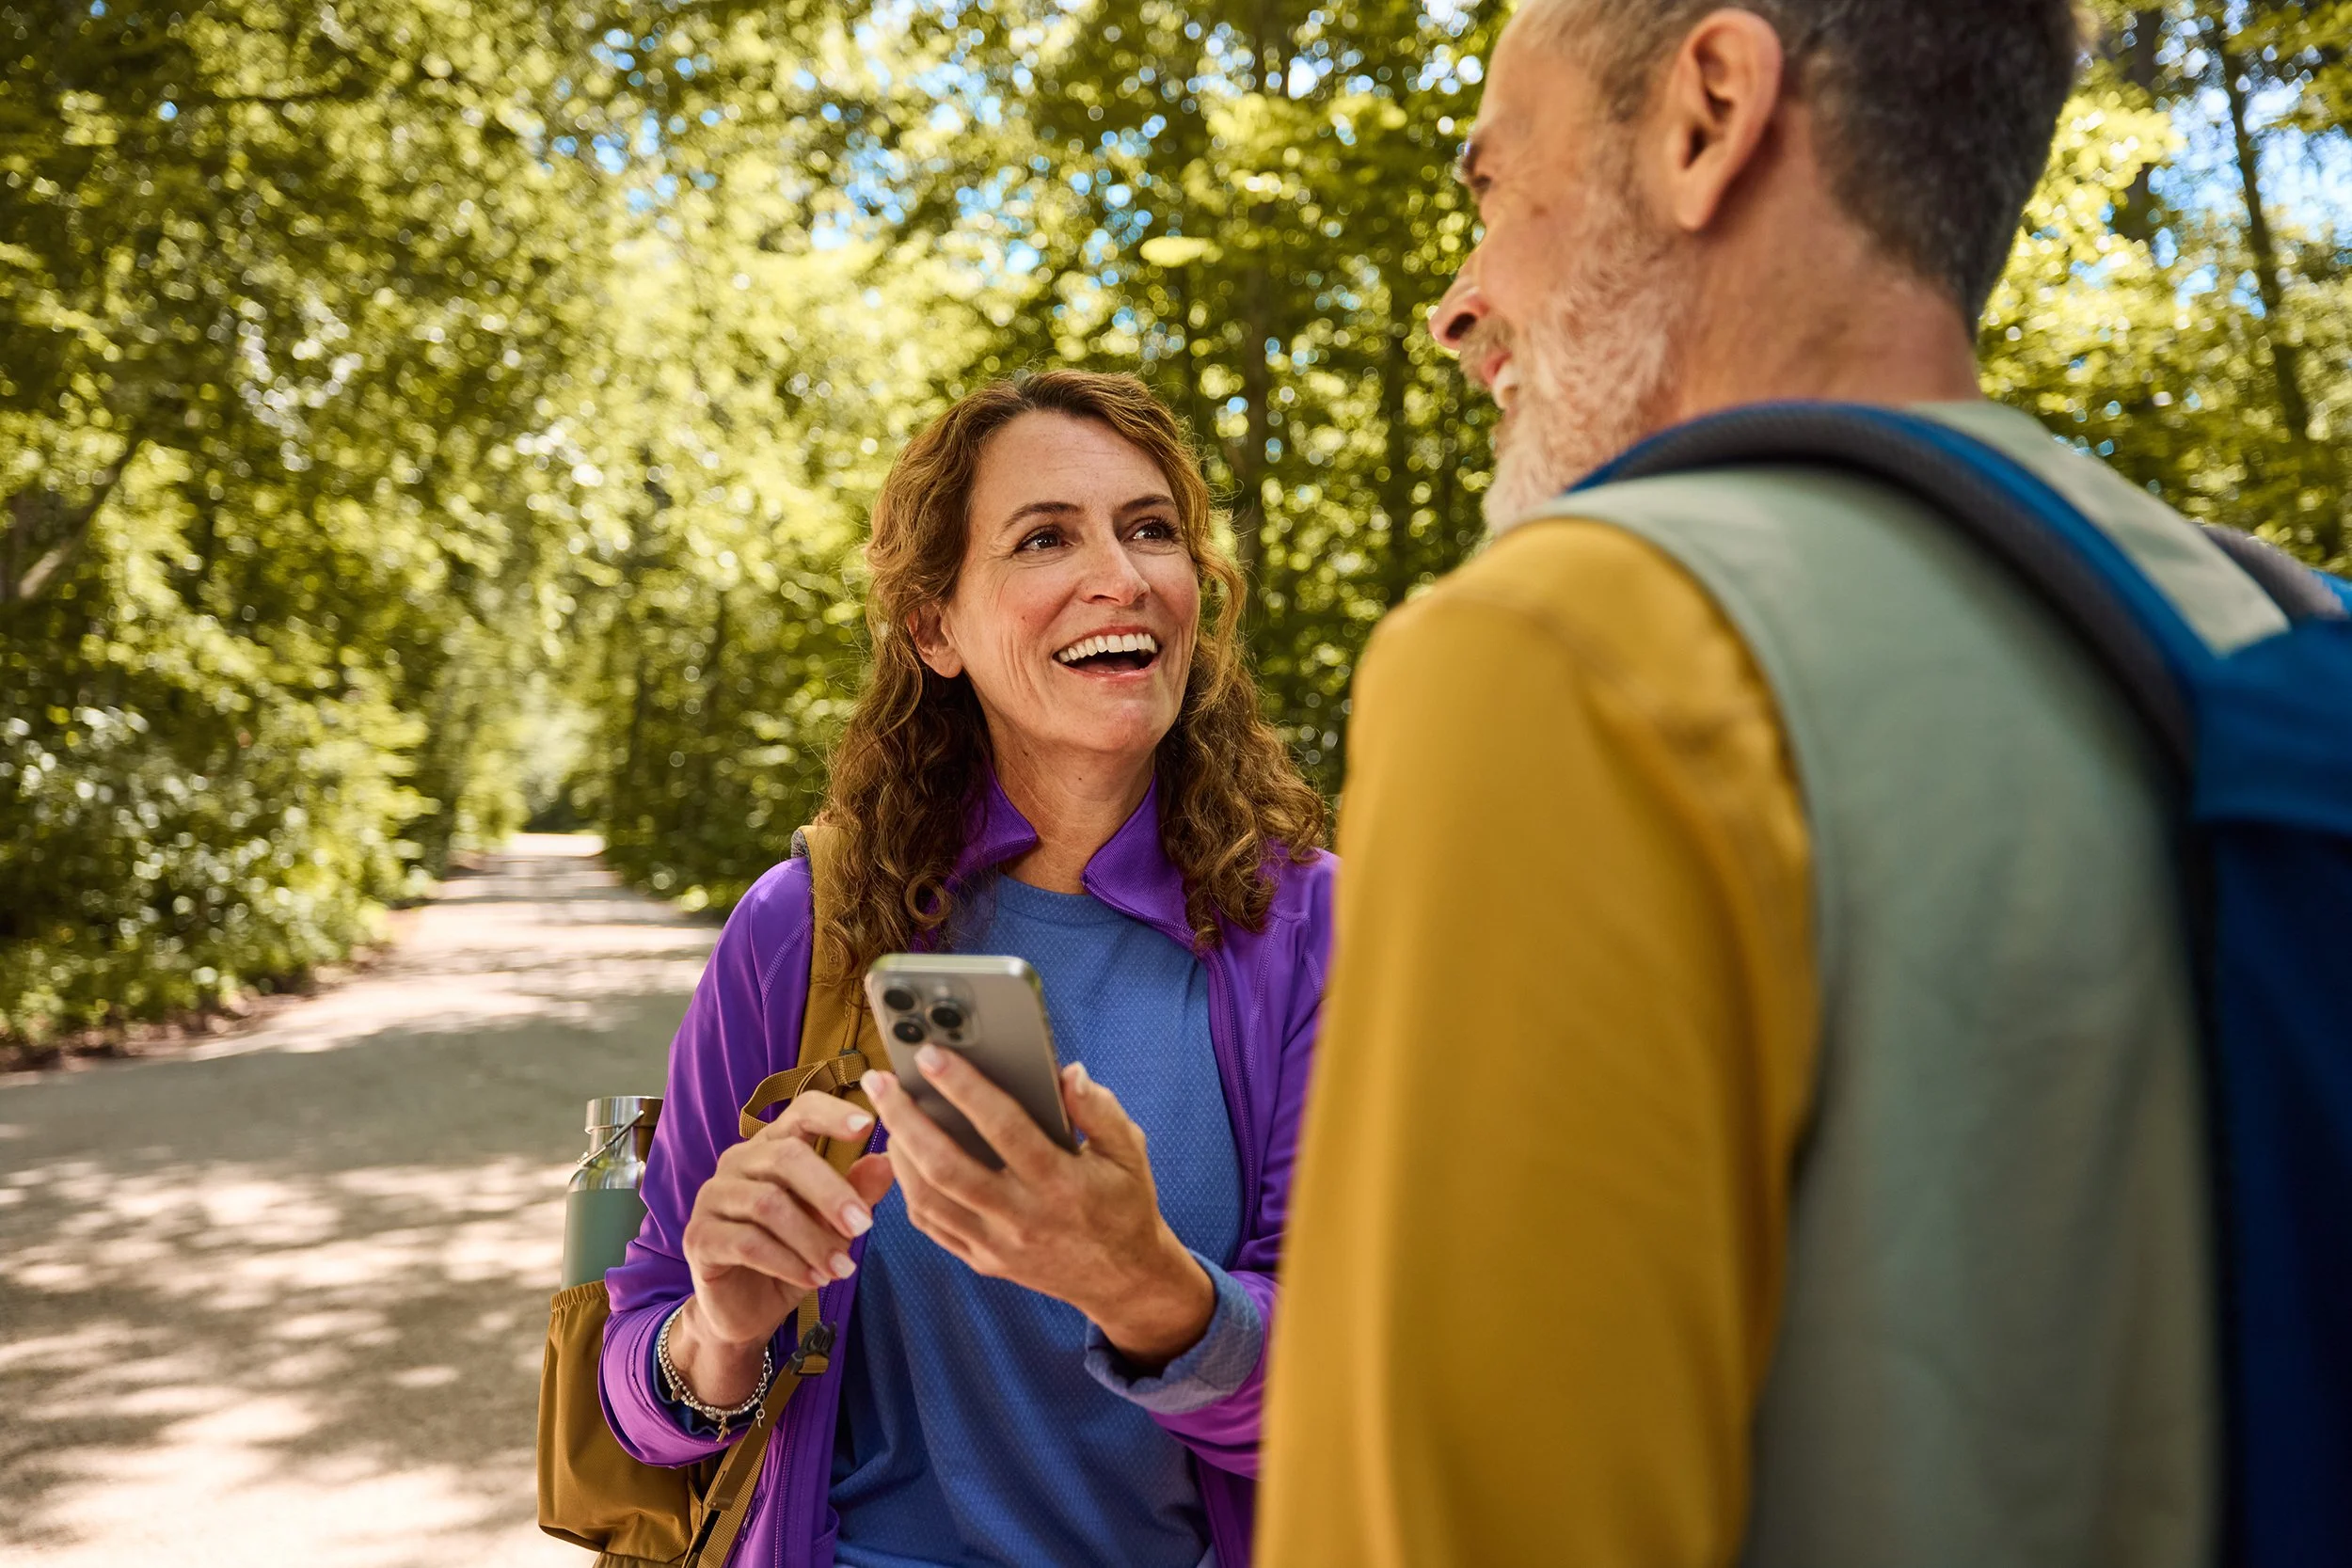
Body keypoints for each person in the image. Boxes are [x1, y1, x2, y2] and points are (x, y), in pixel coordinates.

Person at [1260, 4, 2281, 1565]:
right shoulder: (2268, 618)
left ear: (1707, 115)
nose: (1459, 312)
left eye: (1491, 187)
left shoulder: (1570, 655)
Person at [601, 371, 1333, 1568]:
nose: (1124, 575)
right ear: (935, 628)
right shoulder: (804, 926)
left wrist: (1152, 1290)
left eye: (1152, 529)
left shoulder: (1306, 927)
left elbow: (1367, 1386)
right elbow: (631, 1386)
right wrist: (715, 1333)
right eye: (1046, 536)